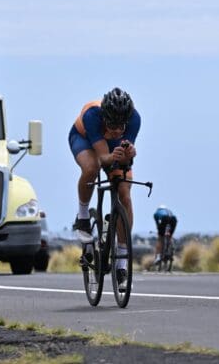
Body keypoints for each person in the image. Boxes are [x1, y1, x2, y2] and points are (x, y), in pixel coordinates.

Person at [69, 87, 141, 291]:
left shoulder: (135, 119)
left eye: (121, 126)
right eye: (112, 124)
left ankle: (122, 264)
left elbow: (124, 157)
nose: (118, 130)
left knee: (125, 195)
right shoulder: (93, 115)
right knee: (91, 168)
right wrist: (116, 156)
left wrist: (129, 154)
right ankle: (83, 217)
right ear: (105, 117)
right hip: (84, 139)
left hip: (112, 147)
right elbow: (103, 159)